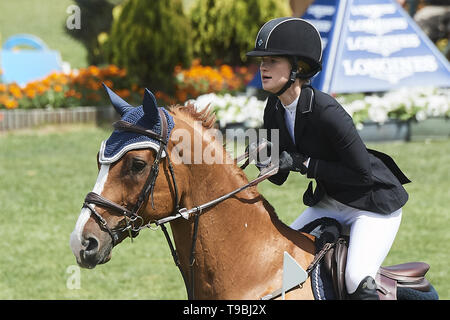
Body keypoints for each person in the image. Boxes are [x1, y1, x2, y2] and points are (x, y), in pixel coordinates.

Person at [246, 17, 411, 300]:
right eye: (261, 60)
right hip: (330, 202)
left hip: (371, 206)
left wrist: (304, 163)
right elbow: (279, 176)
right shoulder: (273, 107)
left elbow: (363, 175)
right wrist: (262, 157)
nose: (263, 66)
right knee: (277, 257)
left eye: (272, 60)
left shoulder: (326, 110)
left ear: (297, 67)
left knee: (356, 279)